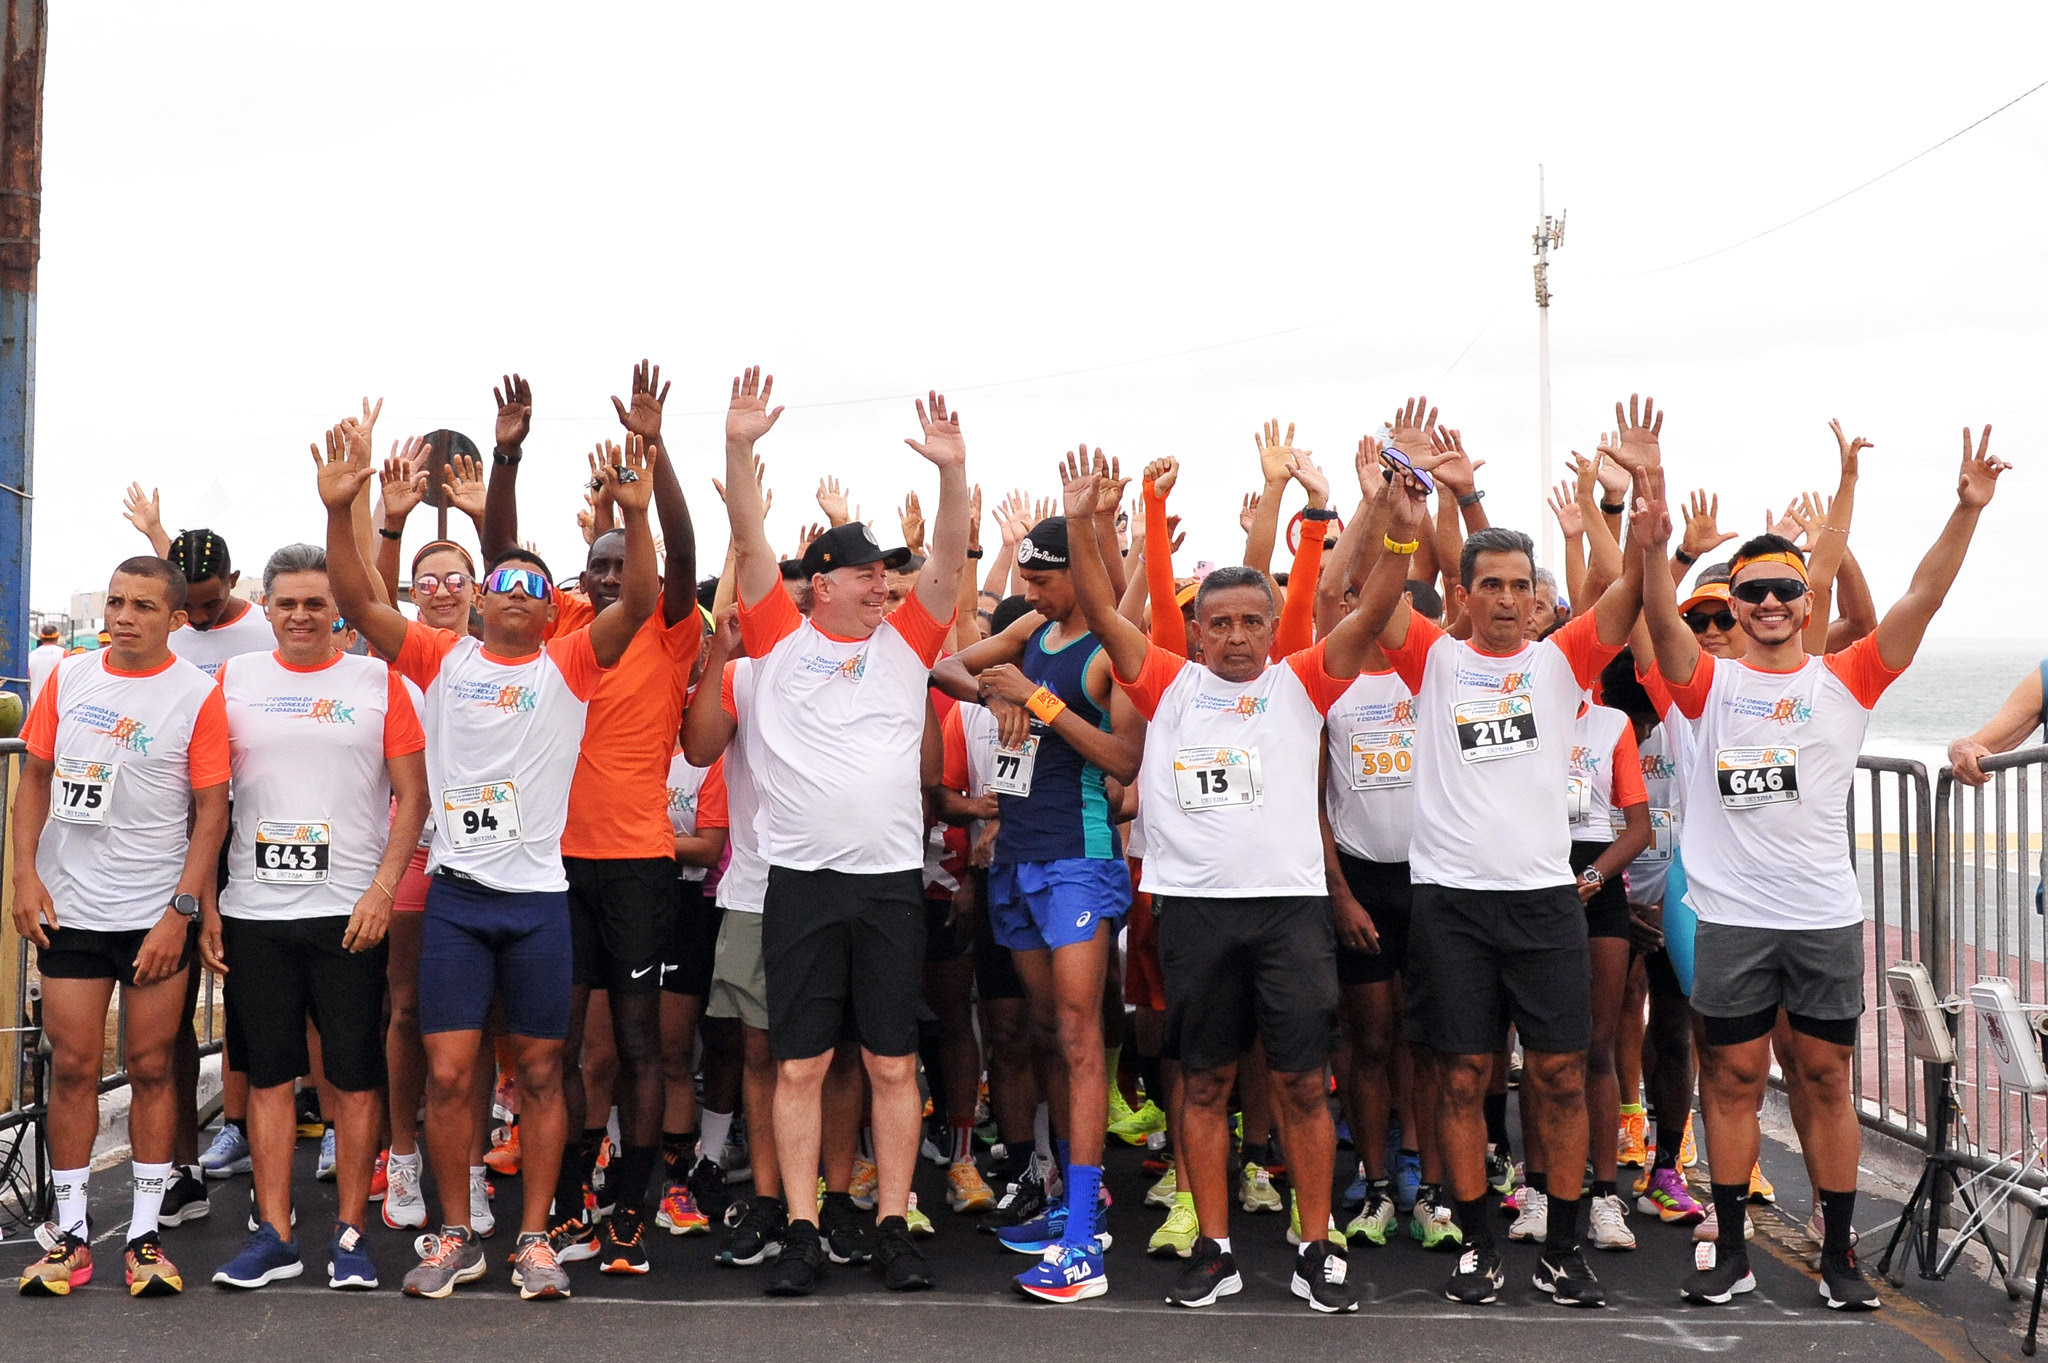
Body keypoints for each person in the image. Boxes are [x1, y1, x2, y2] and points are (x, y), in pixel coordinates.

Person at [1640, 427, 2009, 1311]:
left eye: (1783, 590)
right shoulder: (1711, 685)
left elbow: (1923, 595)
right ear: (1739, 602)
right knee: (1729, 1079)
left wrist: (1964, 511)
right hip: (1729, 914)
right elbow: (1659, 621)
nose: (1766, 603)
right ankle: (1730, 1250)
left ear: (1806, 603)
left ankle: (1838, 1252)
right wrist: (1652, 547)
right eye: (1751, 590)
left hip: (1821, 916)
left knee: (1825, 1077)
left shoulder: (1846, 678)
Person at [315, 415, 658, 1301]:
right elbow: (359, 605)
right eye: (497, 578)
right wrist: (343, 510)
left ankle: (535, 1238)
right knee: (450, 1072)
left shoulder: (571, 664)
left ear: (550, 610)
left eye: (528, 583)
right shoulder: (444, 655)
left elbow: (643, 602)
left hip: (540, 901)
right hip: (461, 899)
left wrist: (638, 510)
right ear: (478, 599)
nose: (510, 590)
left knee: (545, 1070)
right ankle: (455, 1230)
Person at [1066, 446, 1393, 1315]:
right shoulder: (1168, 682)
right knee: (1203, 1081)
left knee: (1298, 1084)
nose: (1240, 637)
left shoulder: (1302, 682)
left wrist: (1392, 520)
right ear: (1199, 629)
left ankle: (1316, 1245)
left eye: (1255, 621)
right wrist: (1082, 519)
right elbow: (1099, 607)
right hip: (1196, 913)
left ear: (1272, 622)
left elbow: (1374, 614)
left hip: (1288, 914)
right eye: (1223, 624)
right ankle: (1214, 1247)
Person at [1352, 396, 1656, 1310]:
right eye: (1490, 584)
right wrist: (1395, 515)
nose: (1508, 598)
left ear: (1537, 595)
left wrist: (1640, 493)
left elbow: (1634, 594)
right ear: (1464, 594)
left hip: (1543, 901)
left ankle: (1563, 1246)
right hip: (1449, 900)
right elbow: (1367, 603)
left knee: (1562, 1070)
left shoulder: (1562, 661)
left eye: (1522, 585)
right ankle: (1478, 1244)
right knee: (1462, 1074)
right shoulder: (1432, 662)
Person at [714, 368, 967, 1297]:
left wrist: (952, 470)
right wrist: (739, 446)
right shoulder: (779, 639)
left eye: (884, 574)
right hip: (803, 884)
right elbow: (748, 539)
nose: (883, 583)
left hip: (891, 881)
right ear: (822, 585)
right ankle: (804, 1229)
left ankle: (894, 1220)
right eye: (866, 572)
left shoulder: (906, 648)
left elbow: (945, 558)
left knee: (893, 1060)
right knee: (801, 1061)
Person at [480, 363, 703, 1276]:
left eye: (622, 565)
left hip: (640, 865)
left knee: (643, 1040)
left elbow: (684, 554)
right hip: (551, 866)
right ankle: (572, 1193)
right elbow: (502, 556)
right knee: (560, 1040)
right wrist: (507, 456)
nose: (610, 577)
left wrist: (654, 458)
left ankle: (632, 1205)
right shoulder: (566, 623)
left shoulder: (668, 625)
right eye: (597, 566)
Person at [929, 498, 1146, 1302]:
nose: (1030, 587)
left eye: (1042, 575)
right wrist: (996, 696)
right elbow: (948, 667)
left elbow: (1127, 755)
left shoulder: (1102, 652)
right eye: (1024, 573)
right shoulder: (1027, 634)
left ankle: (1087, 1236)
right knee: (1050, 1030)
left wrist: (1043, 704)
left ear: (1075, 575)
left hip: (1079, 859)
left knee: (1083, 1036)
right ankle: (1062, 1204)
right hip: (1016, 858)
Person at [202, 544, 429, 1292]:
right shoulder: (232, 681)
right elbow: (206, 804)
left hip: (349, 913)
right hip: (255, 911)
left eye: (316, 602)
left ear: (339, 610)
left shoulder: (378, 682)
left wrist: (382, 890)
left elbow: (413, 798)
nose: (301, 614)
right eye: (287, 601)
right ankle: (275, 1232)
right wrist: (204, 905)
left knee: (355, 1075)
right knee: (268, 1076)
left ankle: (352, 1232)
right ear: (264, 606)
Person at [13, 556, 229, 1298]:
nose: (124, 614)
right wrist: (24, 876)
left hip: (152, 915)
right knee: (71, 1064)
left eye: (142, 604)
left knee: (149, 1065)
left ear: (175, 618)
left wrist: (183, 908)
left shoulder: (198, 694)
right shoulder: (69, 677)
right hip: (70, 907)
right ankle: (72, 1234)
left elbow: (212, 811)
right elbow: (34, 778)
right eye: (114, 600)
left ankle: (143, 1234)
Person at [28, 622, 64, 704]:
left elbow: (28, 676)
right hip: (56, 702)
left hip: (36, 701)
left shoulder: (32, 655)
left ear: (41, 637)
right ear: (57, 637)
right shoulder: (63, 654)